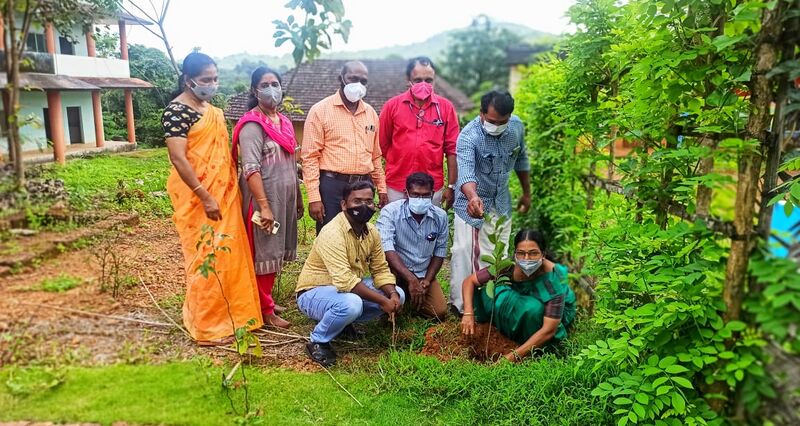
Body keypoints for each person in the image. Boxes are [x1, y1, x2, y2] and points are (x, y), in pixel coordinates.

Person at [163, 52, 262, 345]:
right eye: (207, 80)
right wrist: (204, 196)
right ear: (188, 80)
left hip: (227, 192)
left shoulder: (213, 111)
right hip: (199, 198)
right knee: (205, 256)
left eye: (215, 79)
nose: (212, 84)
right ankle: (208, 326)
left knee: (230, 253)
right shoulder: (176, 111)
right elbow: (179, 159)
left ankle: (237, 316)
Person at [295, 180, 405, 367]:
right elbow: (345, 281)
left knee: (399, 294)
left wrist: (392, 295)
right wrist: (382, 301)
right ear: (344, 205)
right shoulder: (332, 232)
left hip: (344, 290)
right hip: (313, 293)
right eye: (357, 201)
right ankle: (318, 341)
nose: (364, 206)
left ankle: (343, 324)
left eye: (369, 201)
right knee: (351, 304)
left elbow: (380, 269)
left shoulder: (372, 232)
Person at [231, 66, 303, 329]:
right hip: (264, 201)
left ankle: (266, 299)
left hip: (283, 199)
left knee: (275, 249)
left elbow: (292, 162)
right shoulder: (252, 125)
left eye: (275, 83)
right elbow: (251, 168)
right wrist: (264, 206)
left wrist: (298, 199)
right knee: (264, 252)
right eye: (265, 84)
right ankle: (264, 311)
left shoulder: (283, 123)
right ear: (255, 90)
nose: (272, 89)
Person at [450, 90, 532, 314]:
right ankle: (461, 306)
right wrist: (473, 197)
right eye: (492, 121)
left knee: (499, 254)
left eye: (502, 122)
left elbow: (521, 159)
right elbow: (465, 173)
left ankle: (491, 306)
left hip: (502, 202)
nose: (497, 126)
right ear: (481, 113)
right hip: (472, 205)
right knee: (465, 253)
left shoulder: (516, 128)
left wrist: (526, 193)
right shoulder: (469, 136)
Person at [460, 229, 576, 362]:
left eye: (533, 253)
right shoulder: (508, 265)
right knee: (492, 292)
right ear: (515, 254)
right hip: (522, 296)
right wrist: (468, 313)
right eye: (521, 253)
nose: (526, 259)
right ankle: (491, 326)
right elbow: (470, 281)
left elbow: (549, 330)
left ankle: (527, 343)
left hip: (550, 313)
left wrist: (511, 357)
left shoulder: (555, 279)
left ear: (543, 254)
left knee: (533, 310)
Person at [301, 60, 388, 234]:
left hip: (363, 185)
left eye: (363, 81)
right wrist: (314, 197)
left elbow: (375, 155)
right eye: (353, 78)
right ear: (341, 78)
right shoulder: (320, 110)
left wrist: (382, 188)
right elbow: (310, 157)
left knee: (359, 233)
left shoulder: (370, 113)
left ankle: (356, 263)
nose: (358, 84)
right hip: (332, 185)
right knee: (330, 235)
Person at [379, 56, 459, 209]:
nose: (424, 85)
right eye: (418, 80)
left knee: (428, 229)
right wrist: (399, 160)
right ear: (408, 79)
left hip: (431, 187)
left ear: (434, 80)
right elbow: (381, 145)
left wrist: (451, 186)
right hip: (397, 184)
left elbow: (452, 151)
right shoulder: (392, 106)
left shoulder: (445, 108)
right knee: (395, 228)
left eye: (428, 80)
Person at [376, 172, 448, 320]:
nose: (420, 199)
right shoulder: (390, 212)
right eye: (415, 195)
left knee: (438, 312)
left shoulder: (440, 216)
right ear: (406, 194)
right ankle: (400, 293)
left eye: (425, 195)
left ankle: (413, 297)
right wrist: (411, 279)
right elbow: (387, 247)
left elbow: (440, 251)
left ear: (432, 194)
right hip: (395, 269)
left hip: (422, 272)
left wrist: (427, 280)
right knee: (390, 309)